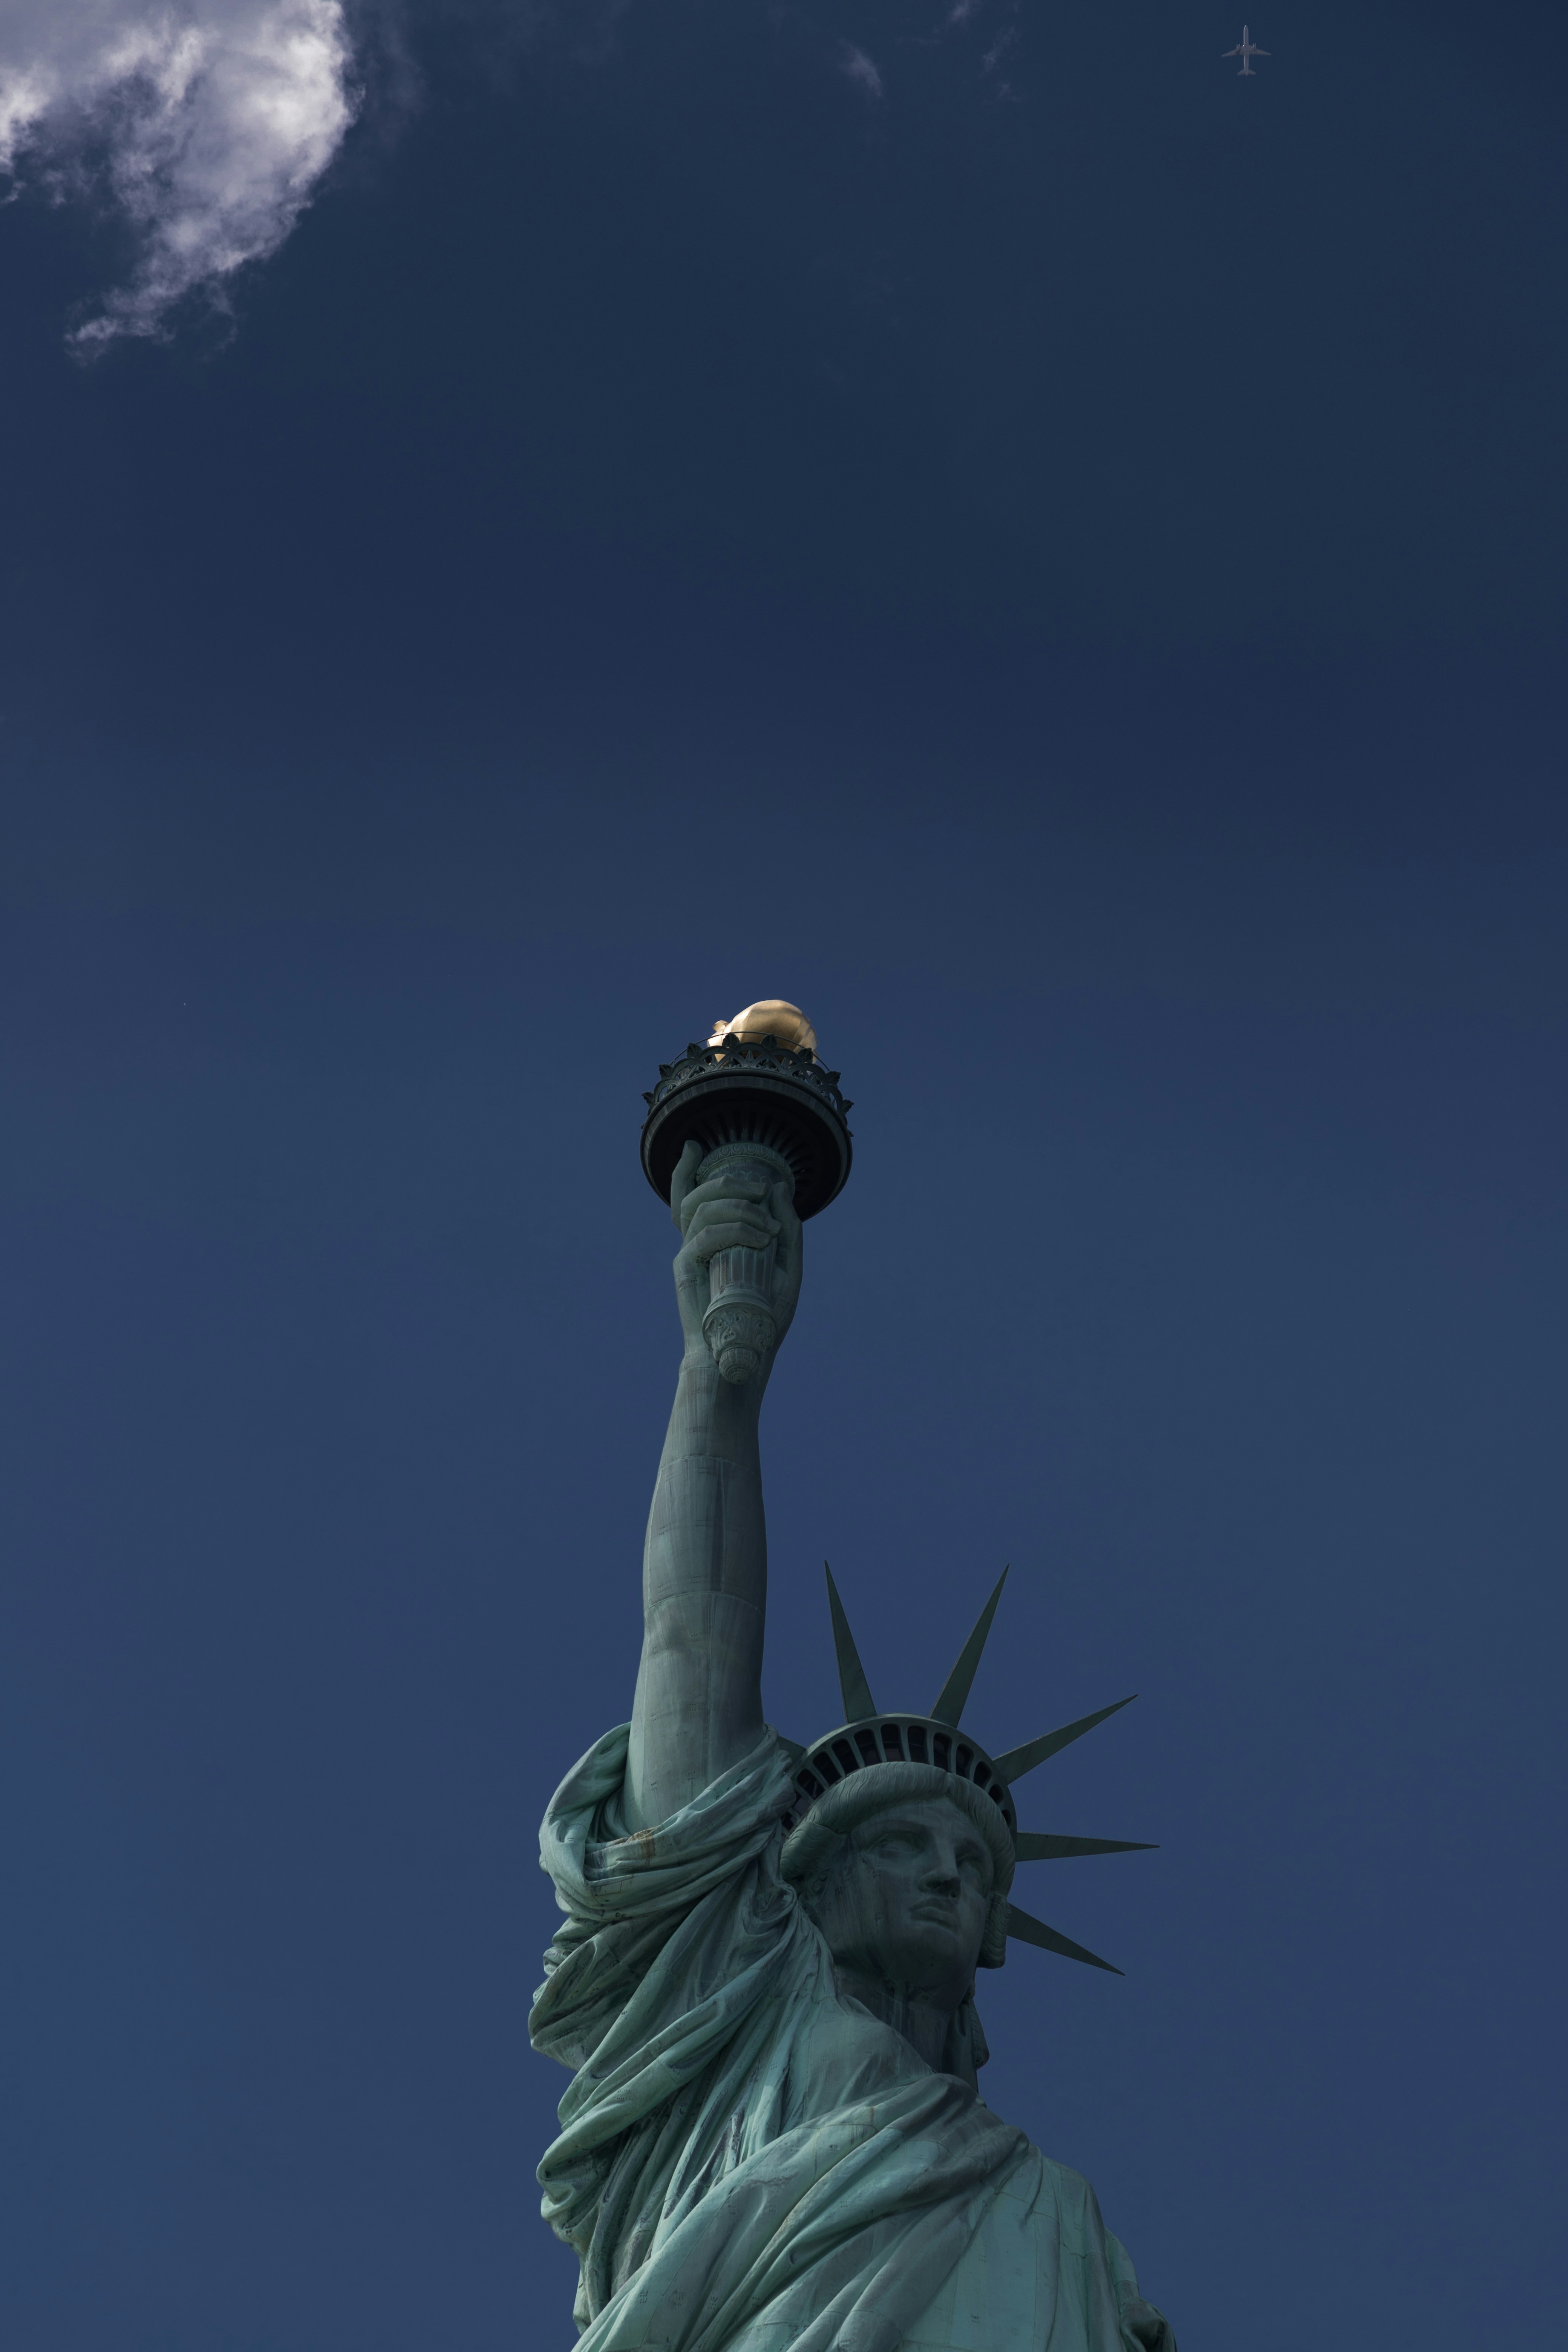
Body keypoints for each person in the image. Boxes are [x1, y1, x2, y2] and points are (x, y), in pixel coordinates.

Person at [530, 1144, 1177, 2350]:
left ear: (993, 1930)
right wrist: (717, 1380)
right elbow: (689, 1638)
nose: (947, 1873)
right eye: (906, 1846)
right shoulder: (735, 2004)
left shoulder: (1051, 2208)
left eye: (972, 1866)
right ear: (806, 1880)